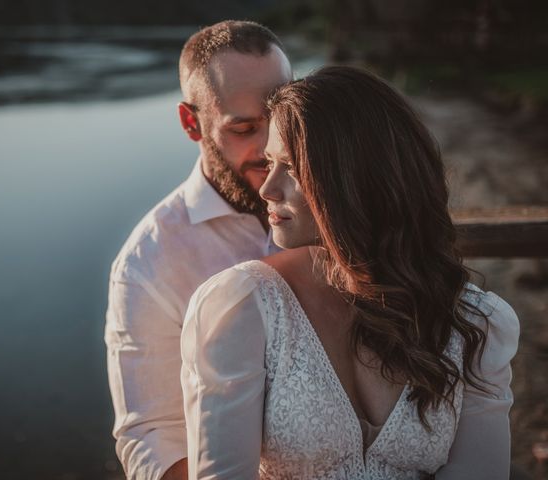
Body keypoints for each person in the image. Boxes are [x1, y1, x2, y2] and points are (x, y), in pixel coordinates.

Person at [181, 66, 520, 479]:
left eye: (291, 168)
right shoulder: (242, 308)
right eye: (270, 163)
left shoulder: (475, 324)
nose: (267, 188)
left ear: (356, 178)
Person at [104, 21, 292, 480]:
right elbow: (151, 435)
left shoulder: (335, 201)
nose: (270, 148)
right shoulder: (150, 262)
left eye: (281, 119)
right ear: (193, 123)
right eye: (245, 128)